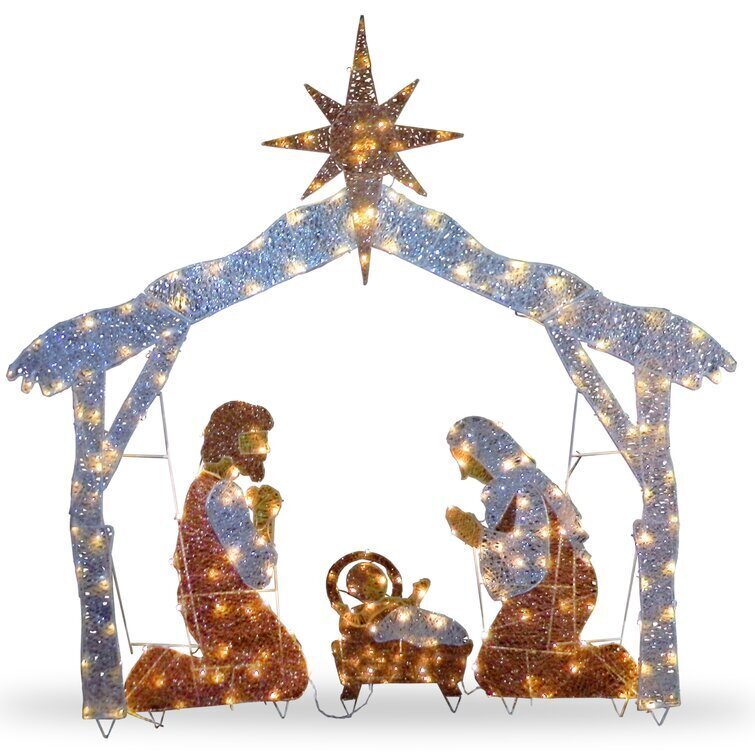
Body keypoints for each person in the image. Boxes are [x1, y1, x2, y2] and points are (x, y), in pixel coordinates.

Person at [125, 402, 307, 713]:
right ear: (234, 441)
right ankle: (158, 673)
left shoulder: (201, 486)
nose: (264, 451)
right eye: (257, 440)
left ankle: (160, 673)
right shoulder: (224, 493)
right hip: (225, 607)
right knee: (288, 673)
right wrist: (264, 518)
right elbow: (258, 574)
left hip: (205, 604)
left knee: (275, 667)